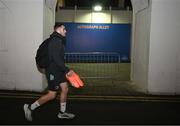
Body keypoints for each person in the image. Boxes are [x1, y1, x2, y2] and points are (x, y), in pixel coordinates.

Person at [23, 23, 75, 121]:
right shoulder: (55, 41)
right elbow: (56, 58)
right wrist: (67, 70)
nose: (66, 31)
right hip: (53, 72)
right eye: (64, 29)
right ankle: (30, 107)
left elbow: (58, 58)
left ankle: (62, 113)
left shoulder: (59, 40)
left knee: (65, 88)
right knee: (52, 95)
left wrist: (63, 70)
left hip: (58, 70)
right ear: (58, 29)